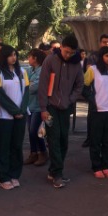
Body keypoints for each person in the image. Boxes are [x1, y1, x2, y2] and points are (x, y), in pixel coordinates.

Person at [38, 34, 84, 188]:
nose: (68, 55)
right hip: (50, 107)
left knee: (64, 139)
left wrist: (71, 99)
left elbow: (80, 85)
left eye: (72, 53)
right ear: (61, 47)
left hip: (65, 107)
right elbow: (43, 84)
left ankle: (53, 171)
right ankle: (57, 174)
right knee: (54, 139)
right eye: (66, 52)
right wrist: (43, 108)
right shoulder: (50, 60)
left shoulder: (76, 64)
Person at [0, 45, 30, 190]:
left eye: (15, 54)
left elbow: (26, 92)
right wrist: (14, 110)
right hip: (4, 117)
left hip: (21, 115)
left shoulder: (22, 72)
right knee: (4, 146)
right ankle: (4, 177)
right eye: (10, 55)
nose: (13, 58)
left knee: (17, 146)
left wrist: (21, 110)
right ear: (4, 57)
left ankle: (14, 175)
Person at [83, 46, 108, 178]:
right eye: (107, 56)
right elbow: (84, 87)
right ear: (101, 57)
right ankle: (96, 166)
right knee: (96, 140)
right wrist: (93, 101)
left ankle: (106, 165)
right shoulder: (93, 70)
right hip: (98, 110)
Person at [82, 34, 108, 148]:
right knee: (92, 117)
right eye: (104, 42)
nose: (107, 44)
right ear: (100, 43)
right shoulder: (93, 56)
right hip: (95, 93)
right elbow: (88, 73)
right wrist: (90, 97)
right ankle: (90, 138)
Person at [24, 48, 48, 166]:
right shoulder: (29, 70)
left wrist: (27, 85)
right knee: (30, 131)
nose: (28, 59)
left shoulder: (42, 71)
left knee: (36, 131)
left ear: (35, 58)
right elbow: (24, 84)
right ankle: (33, 153)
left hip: (39, 106)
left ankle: (43, 152)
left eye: (29, 57)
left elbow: (33, 88)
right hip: (29, 106)